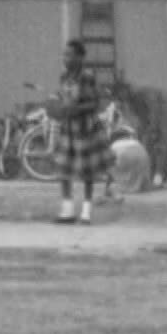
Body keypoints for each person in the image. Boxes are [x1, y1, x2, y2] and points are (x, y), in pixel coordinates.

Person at [51, 40, 113, 225]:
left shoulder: (87, 77)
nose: (65, 58)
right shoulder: (64, 77)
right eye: (64, 55)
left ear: (80, 57)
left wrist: (75, 108)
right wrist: (57, 104)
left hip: (85, 128)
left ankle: (86, 210)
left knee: (87, 172)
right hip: (67, 128)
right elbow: (62, 97)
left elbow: (94, 103)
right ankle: (67, 209)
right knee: (64, 168)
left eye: (69, 55)